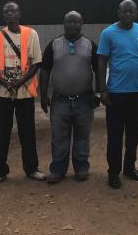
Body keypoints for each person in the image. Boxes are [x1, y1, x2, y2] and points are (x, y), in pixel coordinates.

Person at [0, 1, 46, 185]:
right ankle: (0, 171)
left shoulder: (31, 34)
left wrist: (19, 82)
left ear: (20, 14)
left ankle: (32, 169)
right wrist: (5, 83)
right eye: (7, 11)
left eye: (14, 11)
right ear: (4, 16)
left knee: (28, 131)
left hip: (25, 93)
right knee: (3, 132)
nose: (11, 14)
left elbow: (36, 63)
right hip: (4, 94)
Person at [97, 0, 138, 189]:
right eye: (124, 11)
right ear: (118, 13)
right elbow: (101, 62)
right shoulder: (108, 33)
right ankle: (113, 172)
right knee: (115, 135)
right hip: (115, 93)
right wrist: (102, 89)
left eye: (132, 11)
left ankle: (129, 167)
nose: (128, 14)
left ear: (136, 13)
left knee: (134, 135)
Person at [40, 11, 99, 183]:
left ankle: (81, 168)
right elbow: (44, 71)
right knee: (59, 138)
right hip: (60, 100)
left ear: (82, 23)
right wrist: (43, 96)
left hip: (84, 100)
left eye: (76, 22)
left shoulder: (90, 45)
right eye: (69, 22)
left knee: (82, 136)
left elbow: (99, 70)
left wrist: (97, 92)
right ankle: (58, 170)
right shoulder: (54, 45)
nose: (72, 25)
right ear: (63, 23)